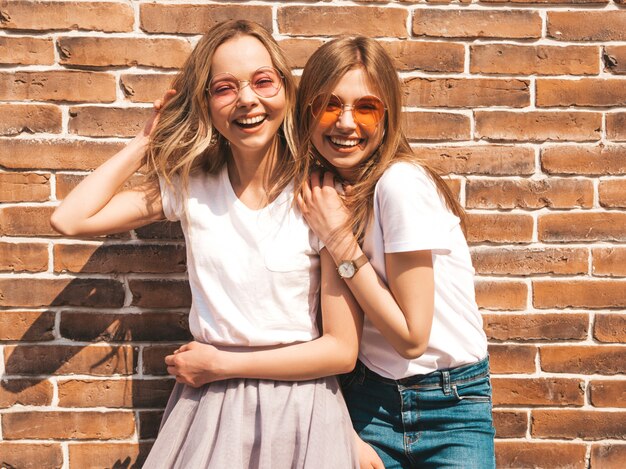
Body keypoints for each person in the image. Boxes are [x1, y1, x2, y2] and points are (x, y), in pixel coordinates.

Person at [51, 20, 360, 468]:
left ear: (286, 93)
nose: (247, 99)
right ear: (208, 106)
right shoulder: (190, 188)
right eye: (225, 88)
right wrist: (146, 140)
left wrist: (226, 365)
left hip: (302, 409)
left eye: (262, 81)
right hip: (210, 409)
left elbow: (341, 350)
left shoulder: (318, 197)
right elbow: (69, 218)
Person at [294, 36, 496, 468]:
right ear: (306, 112)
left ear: (388, 118)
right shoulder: (325, 194)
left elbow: (411, 338)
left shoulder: (399, 184)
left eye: (365, 107)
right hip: (367, 398)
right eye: (329, 105)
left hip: (450, 406)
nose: (346, 123)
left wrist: (339, 240)